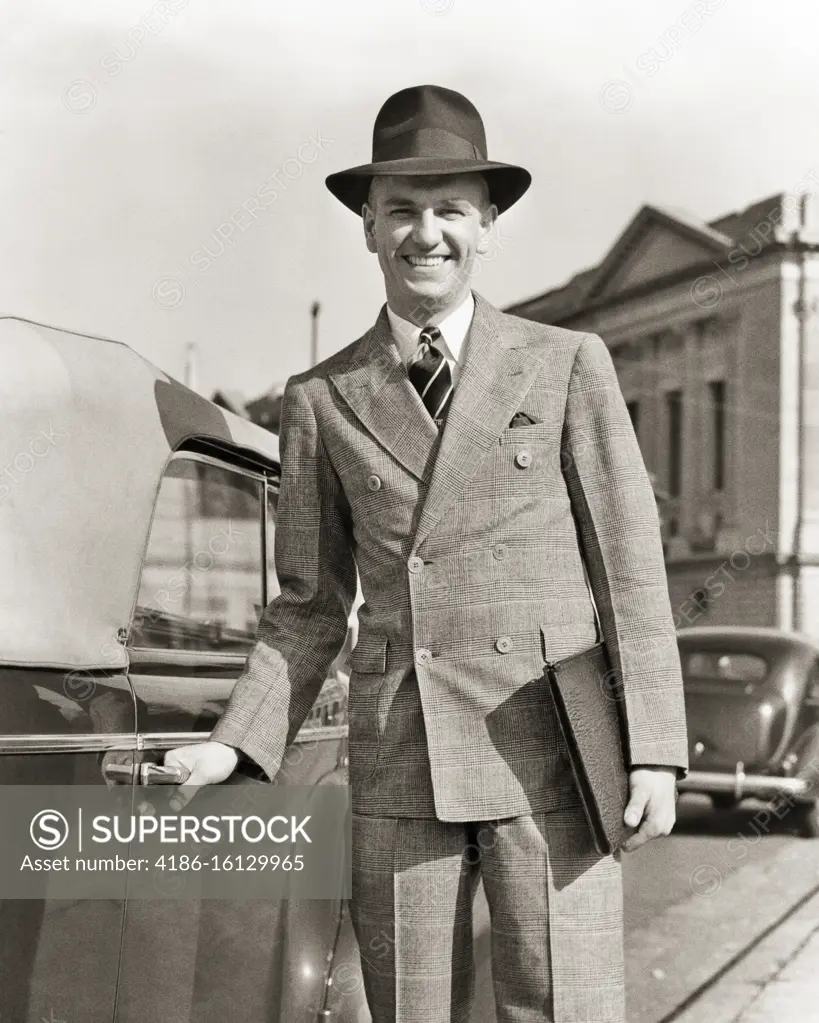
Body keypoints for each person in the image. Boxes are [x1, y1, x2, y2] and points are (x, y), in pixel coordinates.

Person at [165, 84, 688, 1023]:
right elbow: (308, 604)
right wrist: (232, 741)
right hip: (403, 758)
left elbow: (630, 571)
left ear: (489, 224)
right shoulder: (322, 398)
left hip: (555, 754)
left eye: (451, 209)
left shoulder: (566, 362)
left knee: (563, 1007)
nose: (426, 233)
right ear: (366, 227)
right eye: (400, 210)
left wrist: (652, 751)